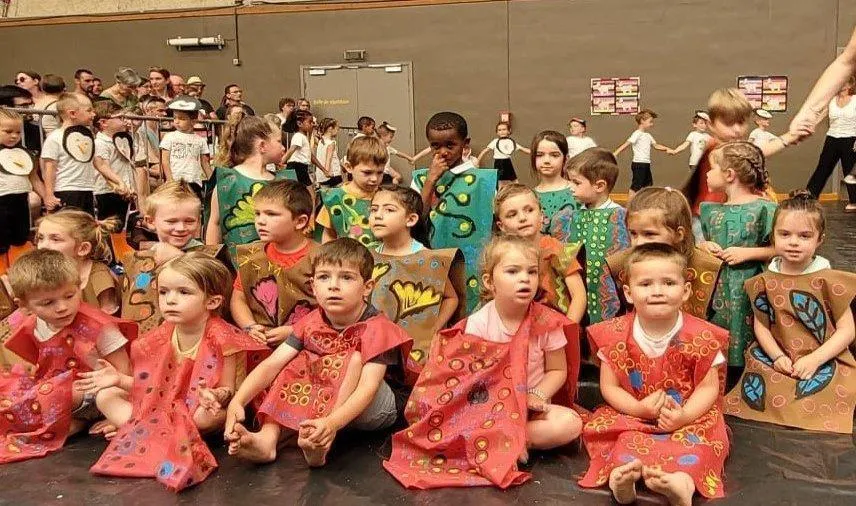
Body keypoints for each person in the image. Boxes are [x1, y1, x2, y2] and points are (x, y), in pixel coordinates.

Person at [384, 234, 581, 489]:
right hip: (488, 409)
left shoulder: (548, 323)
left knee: (570, 423)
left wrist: (536, 395)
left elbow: (557, 370)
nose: (524, 279)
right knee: (445, 424)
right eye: (512, 271)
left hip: (529, 409)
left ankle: (516, 441)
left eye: (532, 272)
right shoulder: (478, 324)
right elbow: (467, 381)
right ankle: (497, 442)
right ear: (489, 282)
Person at [224, 238, 413, 467]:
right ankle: (268, 439)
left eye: (346, 277)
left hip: (375, 409)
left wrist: (331, 423)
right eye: (324, 277)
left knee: (352, 359)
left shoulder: (378, 329)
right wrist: (238, 400)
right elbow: (272, 364)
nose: (333, 285)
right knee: (295, 359)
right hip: (331, 397)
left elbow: (367, 389)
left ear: (367, 287)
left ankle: (322, 438)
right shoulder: (311, 322)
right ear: (313, 286)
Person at [89, 252, 265, 491]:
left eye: (183, 292)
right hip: (161, 407)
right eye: (164, 292)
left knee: (205, 416)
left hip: (199, 408)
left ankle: (143, 430)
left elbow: (230, 390)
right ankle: (159, 431)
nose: (170, 300)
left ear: (212, 302)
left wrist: (214, 396)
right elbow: (151, 388)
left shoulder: (225, 341)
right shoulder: (158, 337)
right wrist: (118, 380)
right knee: (105, 395)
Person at [579, 243, 729, 506]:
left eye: (669, 283)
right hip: (634, 416)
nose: (657, 291)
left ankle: (683, 483)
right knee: (622, 439)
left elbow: (708, 388)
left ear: (685, 291)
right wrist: (638, 409)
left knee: (703, 444)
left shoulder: (702, 336)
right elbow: (610, 387)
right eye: (646, 284)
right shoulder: (614, 335)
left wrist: (684, 417)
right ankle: (620, 479)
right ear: (628, 292)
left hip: (688, 417)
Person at [723, 192, 856, 433]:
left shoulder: (829, 280)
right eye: (785, 234)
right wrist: (777, 357)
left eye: (804, 236)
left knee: (837, 388)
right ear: (773, 236)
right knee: (762, 385)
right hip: (779, 355)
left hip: (823, 356)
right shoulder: (763, 280)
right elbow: (761, 326)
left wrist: (815, 360)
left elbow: (847, 330)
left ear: (819, 239)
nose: (794, 242)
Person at [0, 249, 133, 463]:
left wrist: (115, 412)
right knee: (10, 387)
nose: (62, 307)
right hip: (57, 391)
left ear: (79, 285)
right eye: (48, 303)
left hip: (94, 391)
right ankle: (70, 422)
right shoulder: (33, 325)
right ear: (23, 305)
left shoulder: (99, 327)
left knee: (45, 397)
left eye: (69, 296)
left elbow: (123, 369)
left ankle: (60, 423)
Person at [700, 141, 776, 383]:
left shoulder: (765, 209)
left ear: (729, 175)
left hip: (749, 284)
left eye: (712, 169)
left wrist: (748, 253)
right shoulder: (711, 211)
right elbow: (701, 243)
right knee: (719, 325)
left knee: (748, 326)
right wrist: (704, 246)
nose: (708, 175)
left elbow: (779, 248)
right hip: (717, 287)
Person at [412, 112, 497, 312]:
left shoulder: (483, 181)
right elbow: (415, 218)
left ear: (465, 143)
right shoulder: (421, 179)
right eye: (435, 146)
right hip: (434, 261)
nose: (443, 152)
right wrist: (431, 181)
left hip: (474, 263)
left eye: (450, 145)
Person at [120, 181, 230, 334]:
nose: (181, 228)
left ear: (198, 221)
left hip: (196, 340)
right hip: (148, 342)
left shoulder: (211, 257)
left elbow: (223, 299)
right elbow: (137, 292)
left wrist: (180, 258)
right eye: (171, 221)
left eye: (189, 221)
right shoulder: (140, 260)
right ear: (150, 222)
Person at [369, 185, 464, 363]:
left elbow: (451, 298)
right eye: (374, 209)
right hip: (374, 348)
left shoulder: (429, 259)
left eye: (389, 209)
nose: (378, 215)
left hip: (416, 354)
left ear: (411, 219)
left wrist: (434, 329)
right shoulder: (366, 258)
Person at [606, 187, 722, 320]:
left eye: (649, 234)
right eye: (633, 234)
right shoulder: (622, 264)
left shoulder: (704, 266)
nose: (638, 243)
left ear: (679, 234)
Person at [231, 180, 317, 354]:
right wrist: (249, 326)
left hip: (306, 345)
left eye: (271, 214)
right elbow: (238, 299)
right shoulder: (252, 255)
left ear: (300, 221)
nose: (260, 221)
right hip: (257, 343)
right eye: (257, 214)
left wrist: (296, 331)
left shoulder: (322, 258)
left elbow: (331, 309)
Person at [550, 149, 629, 325]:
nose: (570, 187)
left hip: (614, 310)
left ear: (600, 186)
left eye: (576, 182)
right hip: (575, 308)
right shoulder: (567, 219)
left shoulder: (622, 217)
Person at [495, 184, 586, 323]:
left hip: (558, 327)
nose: (522, 218)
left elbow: (579, 295)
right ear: (501, 226)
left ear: (542, 216)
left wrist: (567, 333)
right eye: (512, 214)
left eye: (529, 210)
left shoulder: (556, 249)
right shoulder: (500, 255)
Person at [207, 116, 292, 255]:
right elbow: (214, 224)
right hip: (235, 269)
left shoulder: (284, 182)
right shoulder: (227, 182)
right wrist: (211, 263)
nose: (283, 148)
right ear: (262, 146)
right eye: (279, 141)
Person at [36, 209, 121, 314]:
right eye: (41, 238)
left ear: (83, 249)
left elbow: (110, 319)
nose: (43, 246)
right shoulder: (48, 273)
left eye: (55, 239)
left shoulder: (99, 275)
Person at [0, 110, 47, 266]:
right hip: (2, 202)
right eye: (8, 131)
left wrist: (47, 197)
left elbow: (34, 178)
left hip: (20, 201)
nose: (14, 136)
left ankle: (17, 270)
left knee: (20, 237)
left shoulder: (24, 153)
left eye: (18, 132)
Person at [317, 136, 384, 244]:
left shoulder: (386, 197)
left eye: (380, 172)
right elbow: (329, 235)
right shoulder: (334, 199)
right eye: (367, 172)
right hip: (346, 259)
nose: (374, 179)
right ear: (349, 167)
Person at [804, 75, 856, 209]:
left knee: (849, 171)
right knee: (823, 168)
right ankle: (810, 196)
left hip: (851, 138)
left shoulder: (855, 100)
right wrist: (812, 125)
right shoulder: (832, 100)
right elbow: (822, 114)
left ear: (850, 85)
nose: (841, 85)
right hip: (832, 138)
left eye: (844, 83)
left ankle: (853, 201)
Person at [40, 92, 97, 214]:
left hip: (87, 189)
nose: (93, 114)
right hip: (66, 190)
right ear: (72, 113)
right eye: (89, 110)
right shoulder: (55, 137)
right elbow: (50, 169)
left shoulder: (88, 136)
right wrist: (49, 195)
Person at [92, 100, 136, 225]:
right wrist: (119, 183)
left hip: (122, 191)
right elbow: (103, 167)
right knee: (106, 226)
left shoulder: (122, 141)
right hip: (106, 192)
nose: (125, 121)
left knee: (120, 227)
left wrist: (128, 186)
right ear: (104, 122)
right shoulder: (100, 143)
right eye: (120, 118)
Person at [160, 97, 211, 197]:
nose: (177, 121)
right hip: (176, 180)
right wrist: (170, 180)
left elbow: (205, 163)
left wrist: (212, 181)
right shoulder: (169, 137)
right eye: (175, 118)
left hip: (194, 181)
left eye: (182, 118)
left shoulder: (200, 140)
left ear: (193, 121)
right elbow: (165, 160)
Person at [531, 130, 580, 233]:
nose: (546, 160)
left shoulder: (577, 191)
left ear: (565, 159)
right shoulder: (530, 196)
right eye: (540, 155)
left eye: (554, 155)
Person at [613, 109, 669, 197]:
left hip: (646, 164)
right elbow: (627, 143)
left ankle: (643, 203)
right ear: (642, 121)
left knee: (648, 185)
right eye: (650, 122)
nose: (652, 124)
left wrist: (668, 149)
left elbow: (656, 146)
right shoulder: (637, 134)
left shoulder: (648, 135)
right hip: (639, 164)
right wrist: (615, 153)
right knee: (636, 186)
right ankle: (629, 206)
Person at [476, 121, 531, 186]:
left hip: (508, 163)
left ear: (509, 131)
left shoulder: (511, 142)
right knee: (500, 183)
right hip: (499, 163)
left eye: (504, 129)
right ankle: (500, 194)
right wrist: (478, 162)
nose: (502, 131)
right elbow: (485, 151)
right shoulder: (495, 141)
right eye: (499, 130)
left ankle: (518, 193)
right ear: (497, 132)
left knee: (515, 181)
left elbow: (523, 149)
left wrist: (536, 153)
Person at [283, 109, 326, 189]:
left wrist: (323, 169)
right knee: (309, 191)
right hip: (297, 167)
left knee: (306, 190)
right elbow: (292, 149)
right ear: (299, 123)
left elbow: (311, 156)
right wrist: (282, 161)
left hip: (302, 167)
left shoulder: (303, 137)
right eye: (310, 122)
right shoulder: (298, 136)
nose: (313, 125)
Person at [0, 85, 41, 155]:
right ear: (5, 107)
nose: (30, 109)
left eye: (31, 105)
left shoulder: (36, 130)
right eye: (24, 106)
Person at [315, 117, 342, 187]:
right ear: (330, 128)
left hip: (321, 176)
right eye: (337, 128)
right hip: (333, 174)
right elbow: (328, 159)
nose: (338, 130)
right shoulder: (331, 143)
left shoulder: (321, 141)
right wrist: (326, 172)